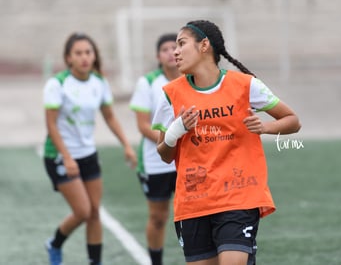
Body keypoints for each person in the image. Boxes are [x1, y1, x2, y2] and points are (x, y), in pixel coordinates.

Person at [152, 20, 301, 265]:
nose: (174, 52)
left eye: (181, 44)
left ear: (204, 46)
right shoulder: (171, 94)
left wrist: (265, 127)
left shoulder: (245, 85)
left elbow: (292, 120)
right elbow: (165, 154)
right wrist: (176, 130)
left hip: (239, 197)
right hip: (194, 201)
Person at [42, 32, 137, 265]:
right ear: (68, 58)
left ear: (94, 56)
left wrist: (126, 145)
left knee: (94, 212)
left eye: (88, 52)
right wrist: (67, 158)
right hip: (59, 155)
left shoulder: (99, 82)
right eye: (78, 53)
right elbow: (51, 124)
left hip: (88, 154)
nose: (84, 57)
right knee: (83, 211)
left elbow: (110, 116)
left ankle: (95, 261)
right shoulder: (57, 84)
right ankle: (54, 243)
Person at [129, 33, 180, 265]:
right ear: (158, 56)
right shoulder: (147, 82)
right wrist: (170, 140)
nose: (171, 52)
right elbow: (142, 125)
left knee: (189, 215)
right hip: (155, 161)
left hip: (185, 159)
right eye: (165, 49)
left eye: (175, 47)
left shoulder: (191, 79)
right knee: (158, 217)